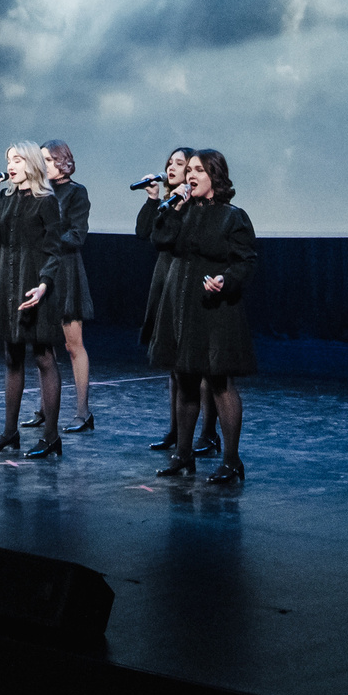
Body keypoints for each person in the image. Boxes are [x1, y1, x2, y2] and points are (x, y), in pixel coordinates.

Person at [147, 147, 255, 483]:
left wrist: (226, 279)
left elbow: (245, 261)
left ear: (215, 177)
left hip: (214, 307)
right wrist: (172, 206)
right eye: (188, 170)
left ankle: (232, 460)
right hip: (180, 303)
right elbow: (159, 238)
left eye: (198, 171)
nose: (190, 175)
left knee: (219, 382)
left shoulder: (232, 216)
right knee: (185, 381)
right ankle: (183, 455)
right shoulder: (182, 210)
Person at [0, 140, 67, 458]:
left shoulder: (45, 201)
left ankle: (51, 436)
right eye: (8, 160)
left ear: (31, 163)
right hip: (7, 282)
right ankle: (9, 433)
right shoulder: (5, 197)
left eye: (17, 159)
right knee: (12, 357)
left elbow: (54, 249)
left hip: (35, 283)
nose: (10, 165)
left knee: (44, 357)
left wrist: (44, 284)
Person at [137, 148, 218, 458]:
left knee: (200, 367)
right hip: (165, 278)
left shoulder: (195, 203)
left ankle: (208, 433)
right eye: (169, 163)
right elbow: (144, 232)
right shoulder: (170, 202)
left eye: (180, 164)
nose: (171, 167)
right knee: (173, 362)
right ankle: (176, 430)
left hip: (190, 278)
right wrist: (153, 199)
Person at [35, 139, 97, 432]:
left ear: (62, 161)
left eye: (47, 160)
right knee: (42, 345)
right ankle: (45, 409)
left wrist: (47, 236)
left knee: (73, 345)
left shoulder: (75, 192)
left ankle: (83, 411)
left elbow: (77, 234)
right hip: (42, 269)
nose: (43, 165)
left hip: (66, 272)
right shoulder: (39, 193)